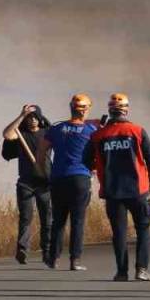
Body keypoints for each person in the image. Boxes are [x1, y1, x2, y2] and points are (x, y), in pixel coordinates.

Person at [84, 93, 150, 282]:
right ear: (126, 110)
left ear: (110, 110)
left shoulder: (98, 135)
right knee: (143, 228)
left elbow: (85, 160)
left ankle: (121, 272)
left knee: (119, 232)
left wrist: (99, 166)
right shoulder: (138, 131)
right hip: (138, 190)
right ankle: (141, 269)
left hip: (112, 191)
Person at [36, 93, 100, 271]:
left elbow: (41, 153)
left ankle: (53, 259)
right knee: (77, 221)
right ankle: (75, 260)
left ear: (71, 107)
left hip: (58, 178)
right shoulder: (91, 131)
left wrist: (44, 174)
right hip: (80, 178)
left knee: (58, 220)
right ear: (86, 110)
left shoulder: (56, 128)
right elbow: (98, 154)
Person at [1, 104, 52, 265]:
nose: (32, 120)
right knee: (26, 217)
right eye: (29, 118)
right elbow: (7, 134)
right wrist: (21, 115)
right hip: (26, 182)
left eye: (35, 117)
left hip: (45, 182)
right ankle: (22, 249)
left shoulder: (47, 134)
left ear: (40, 118)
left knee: (47, 218)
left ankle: (47, 250)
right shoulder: (20, 134)